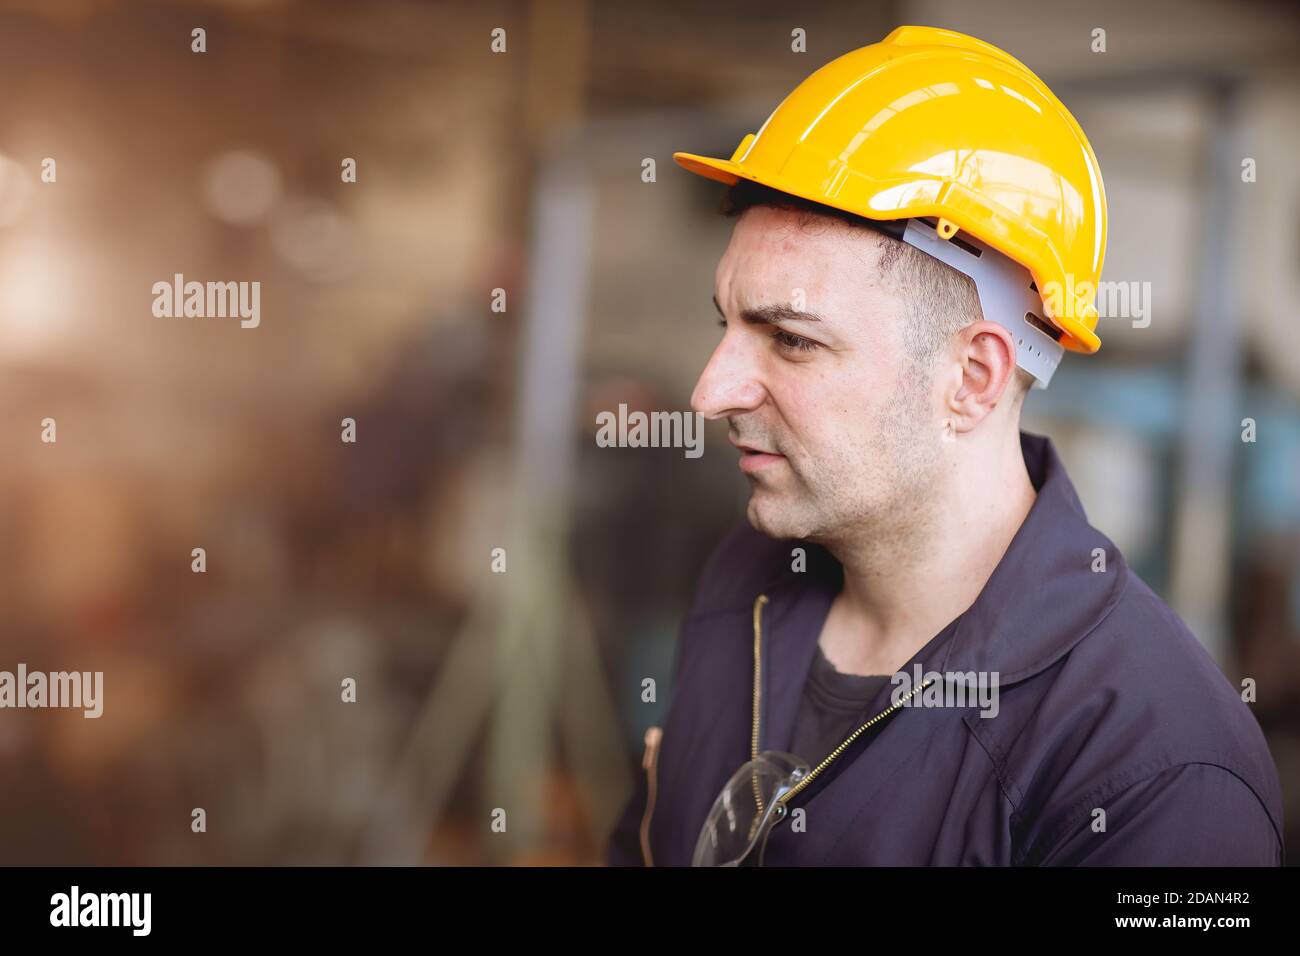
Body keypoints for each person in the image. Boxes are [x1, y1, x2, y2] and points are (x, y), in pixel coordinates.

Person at [606, 25, 1283, 866]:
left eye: (791, 340)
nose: (710, 393)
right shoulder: (746, 580)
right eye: (727, 324)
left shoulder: (1156, 774)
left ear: (972, 378)